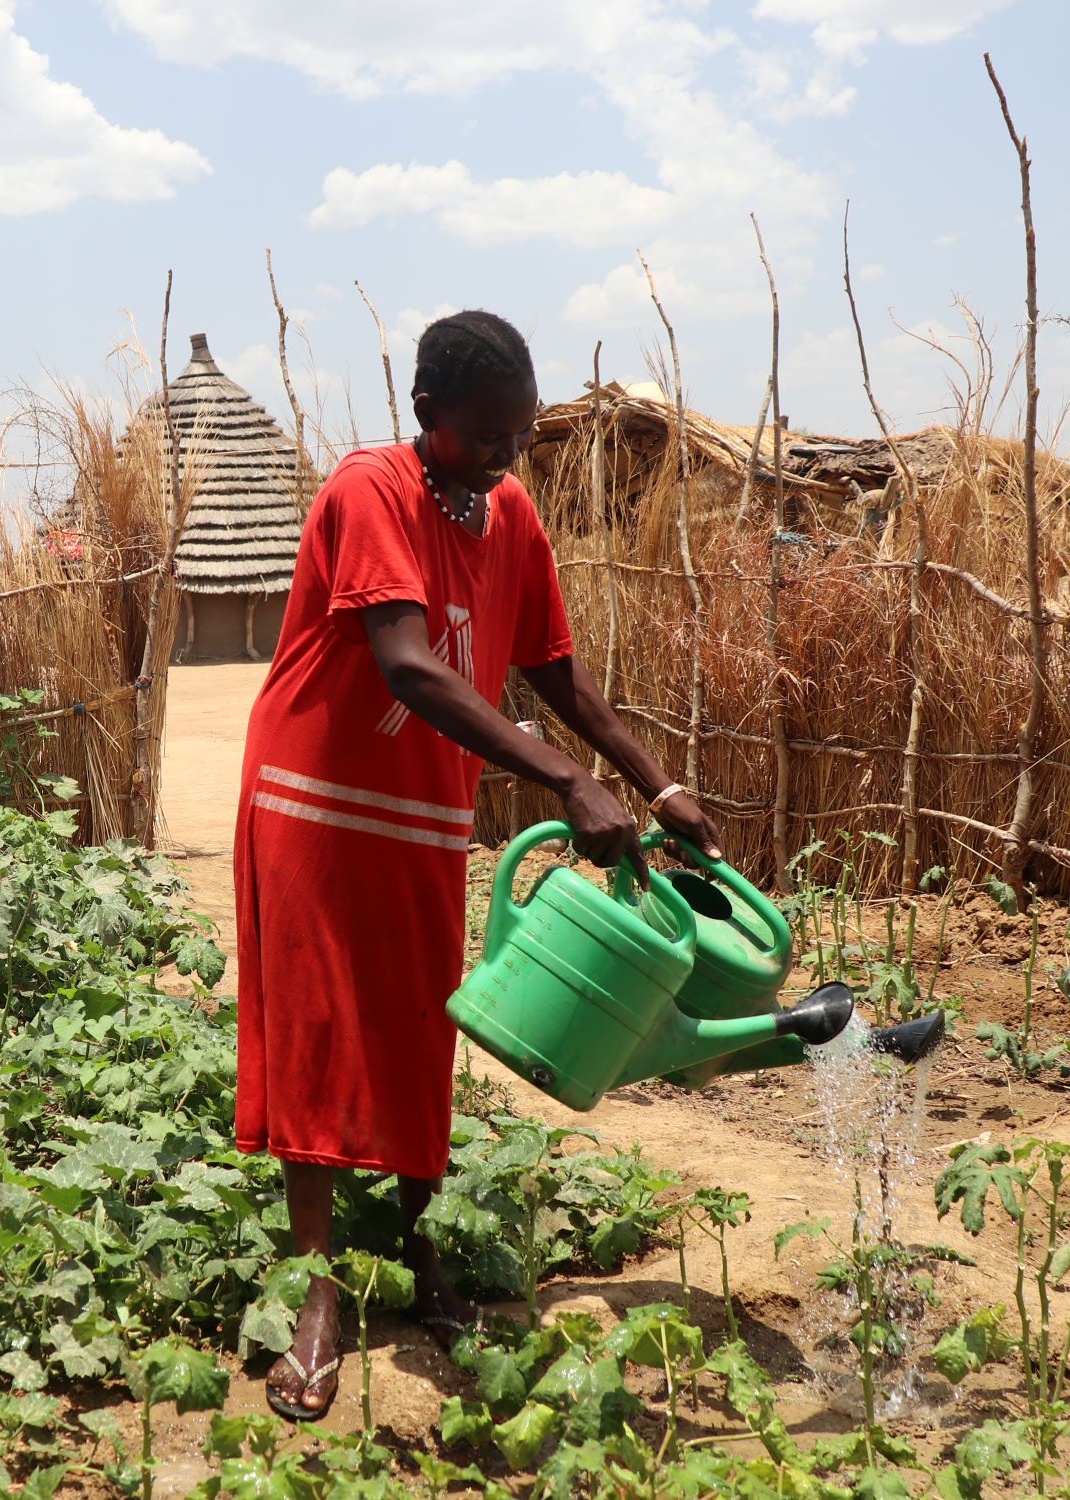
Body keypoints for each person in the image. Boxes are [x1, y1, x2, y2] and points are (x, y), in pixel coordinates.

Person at [232, 309, 723, 1421]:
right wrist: (564, 783)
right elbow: (406, 666)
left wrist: (657, 781)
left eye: (520, 433)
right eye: (487, 434)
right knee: (316, 1033)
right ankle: (317, 1296)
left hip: (417, 818)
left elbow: (561, 676)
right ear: (426, 415)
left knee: (418, 1033)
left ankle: (418, 1258)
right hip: (313, 803)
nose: (507, 456)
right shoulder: (370, 493)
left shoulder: (510, 514)